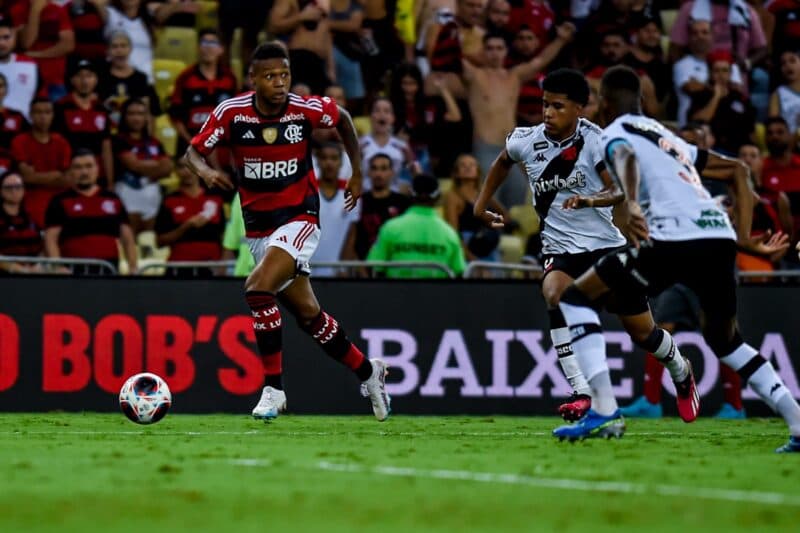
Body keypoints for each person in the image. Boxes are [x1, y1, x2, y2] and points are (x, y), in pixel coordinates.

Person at [553, 66, 800, 452]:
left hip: (671, 237)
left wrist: (632, 201)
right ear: (642, 101)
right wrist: (743, 239)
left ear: (604, 102)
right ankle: (798, 423)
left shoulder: (615, 134)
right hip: (715, 237)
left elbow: (626, 158)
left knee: (575, 297)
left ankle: (604, 408)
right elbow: (738, 170)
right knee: (727, 341)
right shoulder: (667, 136)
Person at [184, 41, 390, 422]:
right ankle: (369, 372)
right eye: (270, 77)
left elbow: (343, 117)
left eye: (284, 75)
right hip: (259, 230)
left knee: (256, 289)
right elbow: (192, 152)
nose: (279, 83)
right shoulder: (232, 113)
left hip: (299, 219)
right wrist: (206, 171)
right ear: (254, 80)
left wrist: (357, 172)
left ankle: (273, 389)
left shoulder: (303, 110)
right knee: (310, 317)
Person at [474, 68, 688, 425]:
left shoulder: (597, 140)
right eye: (545, 105)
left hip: (606, 247)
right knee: (554, 291)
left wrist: (591, 201)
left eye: (557, 106)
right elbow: (502, 161)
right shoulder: (527, 139)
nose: (547, 113)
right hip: (561, 251)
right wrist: (481, 203)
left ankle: (681, 368)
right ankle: (582, 392)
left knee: (643, 333)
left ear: (579, 109)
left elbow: (616, 189)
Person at [464, 26, 574, 209]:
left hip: (511, 150)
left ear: (506, 51)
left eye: (499, 48)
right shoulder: (475, 76)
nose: (494, 53)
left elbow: (540, 60)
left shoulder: (514, 76)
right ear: (482, 51)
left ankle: (512, 236)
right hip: (485, 147)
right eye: (489, 48)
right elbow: (452, 58)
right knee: (491, 202)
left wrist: (560, 40)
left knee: (517, 198)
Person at [44, 148, 137, 274]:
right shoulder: (59, 201)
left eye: (89, 166)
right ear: (70, 171)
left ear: (97, 169)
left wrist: (133, 267)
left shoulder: (113, 199)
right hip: (72, 273)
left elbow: (127, 237)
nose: (84, 172)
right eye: (78, 167)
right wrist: (57, 266)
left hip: (108, 271)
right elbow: (51, 238)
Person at [367, 173, 466, 278]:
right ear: (437, 197)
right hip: (436, 294)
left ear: (410, 194)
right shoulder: (449, 233)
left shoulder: (390, 228)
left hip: (395, 293)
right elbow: (459, 271)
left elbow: (375, 267)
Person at [168, 28, 238, 160]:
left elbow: (235, 116)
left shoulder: (230, 79)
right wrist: (194, 144)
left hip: (222, 149)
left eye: (213, 43)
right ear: (198, 47)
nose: (208, 48)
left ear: (221, 49)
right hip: (190, 147)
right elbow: (176, 117)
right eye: (204, 43)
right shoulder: (186, 77)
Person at [155, 158, 225, 277]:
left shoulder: (215, 199)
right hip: (180, 268)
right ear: (175, 170)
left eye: (191, 166)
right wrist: (186, 226)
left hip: (212, 267)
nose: (187, 171)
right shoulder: (169, 201)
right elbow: (160, 241)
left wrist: (223, 266)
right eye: (182, 167)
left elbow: (225, 238)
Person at [113, 97, 172, 234]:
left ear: (146, 117)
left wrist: (144, 165)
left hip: (151, 192)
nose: (136, 118)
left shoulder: (154, 142)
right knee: (130, 234)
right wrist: (156, 165)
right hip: (127, 191)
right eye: (131, 114)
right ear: (124, 116)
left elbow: (168, 167)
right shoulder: (118, 140)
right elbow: (133, 165)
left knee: (148, 237)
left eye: (140, 114)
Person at [11, 98, 72, 229]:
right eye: (38, 112)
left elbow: (68, 179)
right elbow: (26, 178)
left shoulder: (62, 142)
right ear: (31, 115)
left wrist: (37, 177)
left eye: (47, 112)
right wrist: (57, 174)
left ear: (53, 115)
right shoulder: (20, 141)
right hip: (32, 201)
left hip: (60, 201)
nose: (43, 117)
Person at [341, 152, 410, 261]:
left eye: (384, 169)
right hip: (362, 266)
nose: (378, 174)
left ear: (392, 172)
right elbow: (352, 238)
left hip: (395, 264)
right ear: (368, 172)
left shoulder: (403, 202)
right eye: (374, 168)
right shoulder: (358, 202)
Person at [53, 59, 113, 181]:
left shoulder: (101, 109)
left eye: (89, 76)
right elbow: (57, 144)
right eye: (79, 76)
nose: (85, 81)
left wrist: (110, 180)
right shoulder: (60, 107)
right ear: (72, 80)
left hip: (97, 175)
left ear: (96, 80)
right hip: (71, 173)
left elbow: (106, 147)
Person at [315, 142, 359, 277]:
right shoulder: (307, 192)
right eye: (324, 158)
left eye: (334, 158)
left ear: (341, 163)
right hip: (306, 267)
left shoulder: (352, 194)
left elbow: (351, 236)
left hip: (336, 269)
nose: (329, 163)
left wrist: (343, 267)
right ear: (317, 162)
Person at [0, 170, 43, 273]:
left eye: (18, 187)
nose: (14, 191)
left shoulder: (31, 219)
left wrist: (38, 265)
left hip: (33, 273)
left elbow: (43, 247)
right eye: (8, 188)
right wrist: (16, 269)